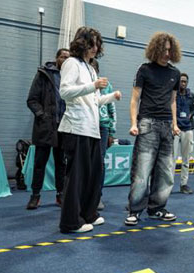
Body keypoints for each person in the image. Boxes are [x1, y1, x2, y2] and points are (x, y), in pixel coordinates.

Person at [58, 27, 121, 233]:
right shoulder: (71, 63)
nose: (96, 47)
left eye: (97, 43)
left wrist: (111, 97)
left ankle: (88, 214)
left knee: (93, 175)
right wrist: (93, 86)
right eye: (92, 43)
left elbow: (93, 102)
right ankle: (70, 222)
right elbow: (65, 92)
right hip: (76, 127)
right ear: (83, 42)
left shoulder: (90, 68)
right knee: (76, 177)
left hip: (92, 130)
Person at [125, 32, 182, 226]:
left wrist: (174, 124)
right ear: (155, 49)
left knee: (166, 171)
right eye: (164, 49)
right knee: (142, 171)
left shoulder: (175, 73)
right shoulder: (144, 70)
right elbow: (135, 99)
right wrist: (134, 123)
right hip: (147, 123)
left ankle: (157, 208)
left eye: (169, 49)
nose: (167, 53)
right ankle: (134, 210)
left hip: (167, 125)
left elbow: (173, 101)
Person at [25, 48, 69, 209]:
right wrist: (42, 115)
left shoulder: (70, 76)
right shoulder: (43, 74)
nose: (65, 60)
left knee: (61, 164)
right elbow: (32, 100)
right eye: (63, 57)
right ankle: (35, 196)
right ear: (56, 58)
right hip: (45, 127)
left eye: (68, 58)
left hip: (64, 127)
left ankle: (61, 195)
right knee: (39, 163)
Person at [90, 59, 115, 211]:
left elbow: (112, 109)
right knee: (85, 162)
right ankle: (83, 195)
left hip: (103, 127)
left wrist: (112, 131)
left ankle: (97, 196)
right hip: (86, 127)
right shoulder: (83, 85)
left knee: (99, 162)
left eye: (94, 68)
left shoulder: (107, 85)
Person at [173, 72, 194, 194]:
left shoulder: (191, 96)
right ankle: (169, 184)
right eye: (181, 81)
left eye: (185, 81)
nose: (183, 83)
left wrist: (191, 114)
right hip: (175, 129)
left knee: (186, 158)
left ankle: (184, 184)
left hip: (188, 129)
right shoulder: (173, 95)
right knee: (171, 159)